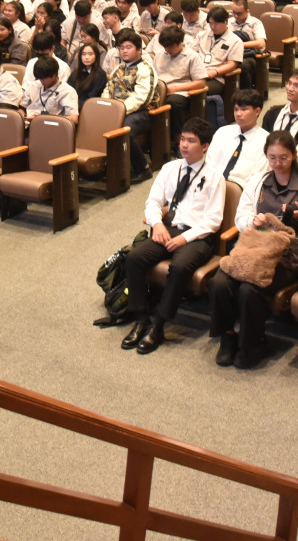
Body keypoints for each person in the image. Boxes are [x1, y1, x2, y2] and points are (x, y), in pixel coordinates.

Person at [208, 131, 298, 368]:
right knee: (219, 282)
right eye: (272, 158)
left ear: (293, 155)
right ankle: (228, 336)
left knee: (249, 290)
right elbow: (240, 218)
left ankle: (252, 343)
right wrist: (252, 221)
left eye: (283, 158)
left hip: (288, 254)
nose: (278, 163)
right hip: (255, 248)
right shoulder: (259, 180)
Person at [102, 117, 224, 354]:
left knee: (179, 267)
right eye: (183, 139)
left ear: (205, 146)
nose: (184, 145)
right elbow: (153, 202)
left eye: (191, 141)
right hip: (168, 229)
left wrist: (184, 239)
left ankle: (158, 324)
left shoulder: (214, 176)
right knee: (135, 258)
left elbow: (213, 220)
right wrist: (157, 225)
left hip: (197, 236)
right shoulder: (170, 169)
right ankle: (141, 318)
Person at [106, 31, 159, 180]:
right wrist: (106, 108)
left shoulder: (146, 69)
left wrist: (119, 111)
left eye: (128, 47)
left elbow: (141, 98)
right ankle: (107, 166)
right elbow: (108, 90)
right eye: (121, 48)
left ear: (139, 50)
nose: (124, 51)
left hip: (143, 112)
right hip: (118, 109)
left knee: (124, 130)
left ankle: (143, 168)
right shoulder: (118, 69)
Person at [23, 55, 79, 123]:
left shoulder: (67, 91)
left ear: (55, 74)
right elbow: (22, 107)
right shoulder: (33, 86)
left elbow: (74, 119)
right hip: (29, 124)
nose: (42, 81)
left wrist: (45, 119)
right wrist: (23, 117)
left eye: (45, 78)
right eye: (40, 78)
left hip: (51, 126)